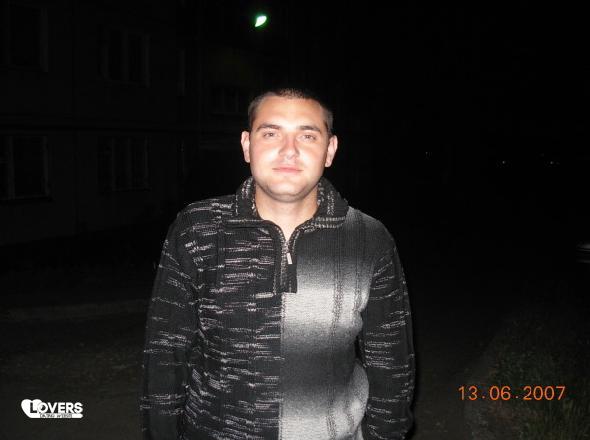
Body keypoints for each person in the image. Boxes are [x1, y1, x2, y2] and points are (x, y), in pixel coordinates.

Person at [141, 88, 415, 440]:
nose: (289, 150)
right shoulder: (197, 229)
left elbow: (392, 364)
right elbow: (165, 355)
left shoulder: (369, 239)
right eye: (271, 134)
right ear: (247, 145)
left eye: (307, 135)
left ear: (330, 150)